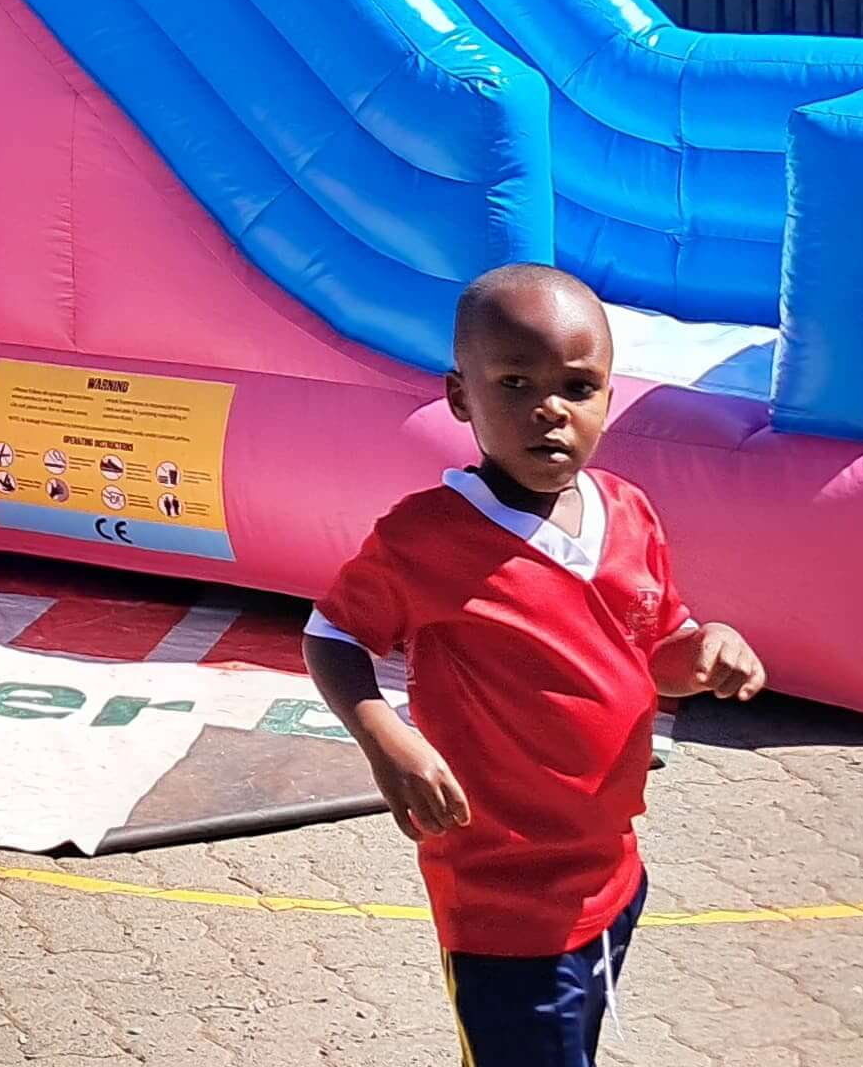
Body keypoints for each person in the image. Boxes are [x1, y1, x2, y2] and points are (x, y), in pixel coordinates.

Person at [302, 263, 768, 1067]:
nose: (549, 410)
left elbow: (658, 650)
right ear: (461, 399)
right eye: (514, 382)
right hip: (504, 900)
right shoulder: (427, 538)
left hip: (613, 872)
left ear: (609, 399)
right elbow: (333, 637)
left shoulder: (628, 512)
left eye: (578, 387)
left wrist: (710, 649)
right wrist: (389, 740)